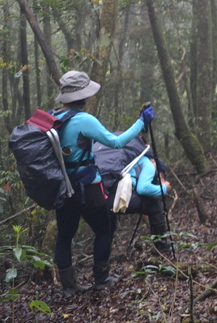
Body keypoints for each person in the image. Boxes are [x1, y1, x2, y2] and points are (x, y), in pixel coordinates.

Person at [52, 70, 153, 294]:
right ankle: (102, 278)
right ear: (83, 96)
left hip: (61, 187)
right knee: (104, 228)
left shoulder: (53, 118)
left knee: (65, 236)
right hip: (87, 188)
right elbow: (115, 143)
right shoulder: (83, 120)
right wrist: (140, 123)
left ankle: (69, 287)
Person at [109, 152, 172, 255]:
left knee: (107, 226)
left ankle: (104, 257)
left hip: (105, 194)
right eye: (159, 175)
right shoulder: (148, 163)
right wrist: (164, 188)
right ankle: (162, 245)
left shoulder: (128, 159)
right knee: (154, 204)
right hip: (120, 196)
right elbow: (143, 189)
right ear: (154, 161)